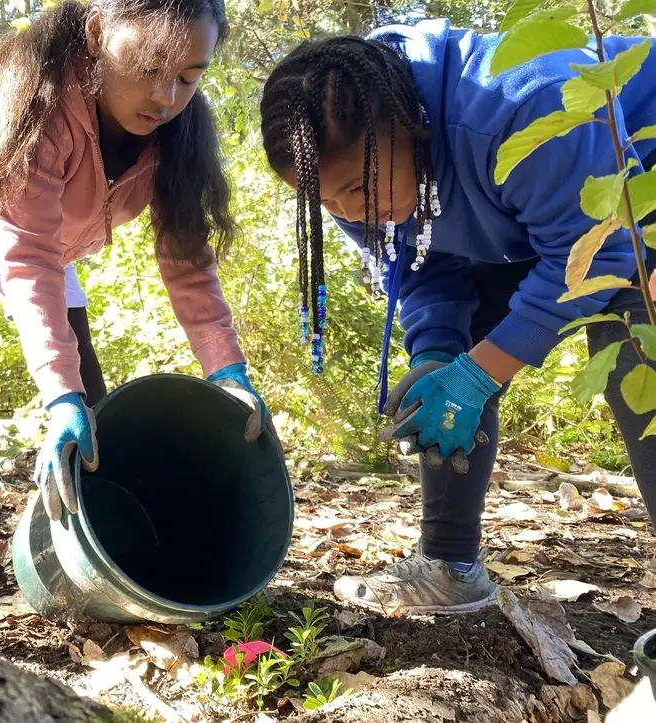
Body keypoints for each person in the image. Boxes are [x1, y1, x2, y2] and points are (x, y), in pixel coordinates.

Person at [0, 0, 271, 612]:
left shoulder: (181, 133)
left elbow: (189, 265)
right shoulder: (40, 101)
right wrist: (54, 395)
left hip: (49, 243)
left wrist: (226, 371)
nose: (166, 94)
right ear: (97, 33)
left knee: (95, 407)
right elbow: (26, 256)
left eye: (189, 77)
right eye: (147, 66)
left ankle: (111, 562)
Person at [260, 19, 656, 615]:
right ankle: (450, 568)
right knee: (452, 359)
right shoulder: (356, 175)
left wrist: (480, 374)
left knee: (635, 351)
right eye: (327, 200)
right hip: (533, 219)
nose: (348, 213)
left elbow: (600, 249)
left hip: (631, 198)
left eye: (355, 192)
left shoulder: (517, 104)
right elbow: (419, 266)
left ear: (407, 127)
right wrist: (438, 356)